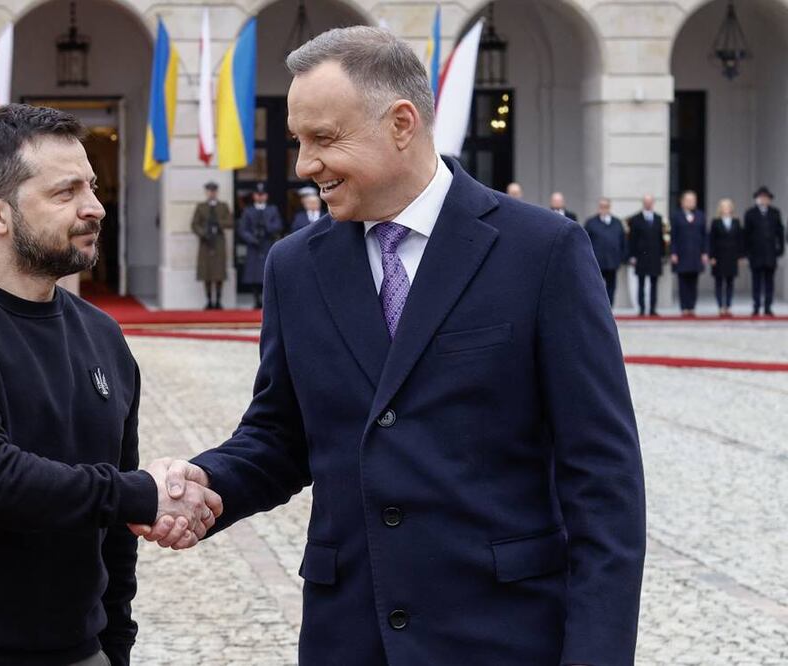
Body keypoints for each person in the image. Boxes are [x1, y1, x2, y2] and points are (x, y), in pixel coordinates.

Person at [135, 27, 645, 665]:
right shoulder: (294, 266)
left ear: (402, 123)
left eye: (324, 139)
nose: (304, 165)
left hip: (504, 635)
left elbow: (603, 480)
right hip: (350, 636)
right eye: (298, 141)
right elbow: (280, 436)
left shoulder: (542, 251)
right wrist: (206, 483)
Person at [0, 104, 221, 666]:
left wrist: (114, 645)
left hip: (76, 649)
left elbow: (114, 534)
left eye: (92, 187)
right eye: (65, 192)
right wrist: (141, 493)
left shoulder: (103, 335)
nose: (94, 207)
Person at [237, 183, 283, 308]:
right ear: (254, 196)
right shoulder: (248, 210)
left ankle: (266, 300)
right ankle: (256, 298)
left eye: (262, 194)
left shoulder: (272, 209)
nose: (260, 197)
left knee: (267, 273)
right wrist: (251, 239)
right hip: (254, 245)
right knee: (253, 273)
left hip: (267, 243)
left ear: (266, 196)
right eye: (258, 194)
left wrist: (268, 227)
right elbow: (242, 229)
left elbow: (278, 224)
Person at [190, 181, 234, 310]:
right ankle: (209, 300)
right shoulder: (201, 207)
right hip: (206, 242)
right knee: (206, 272)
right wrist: (203, 233)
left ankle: (218, 300)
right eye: (209, 191)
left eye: (214, 191)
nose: (212, 193)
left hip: (219, 241)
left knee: (219, 272)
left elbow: (230, 222)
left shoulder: (223, 206)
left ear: (217, 192)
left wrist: (218, 223)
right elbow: (194, 224)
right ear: (206, 192)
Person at [743, 186, 785, 316]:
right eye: (761, 197)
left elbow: (780, 233)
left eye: (766, 198)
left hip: (770, 253)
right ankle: (756, 306)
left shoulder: (775, 213)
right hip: (755, 253)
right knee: (756, 282)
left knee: (769, 282)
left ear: (769, 199)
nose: (763, 200)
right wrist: (746, 253)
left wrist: (780, 249)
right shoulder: (750, 213)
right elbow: (746, 235)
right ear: (757, 199)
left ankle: (768, 306)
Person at [627, 194, 667, 316]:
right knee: (641, 283)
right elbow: (632, 239)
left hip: (655, 256)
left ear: (653, 203)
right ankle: (642, 308)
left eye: (650, 202)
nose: (648, 204)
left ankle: (653, 309)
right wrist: (632, 256)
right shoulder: (635, 219)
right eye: (646, 202)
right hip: (641, 256)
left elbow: (662, 239)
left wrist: (663, 255)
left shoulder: (659, 218)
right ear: (643, 203)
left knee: (654, 284)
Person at [583, 197, 627, 306]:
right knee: (596, 287)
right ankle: (597, 308)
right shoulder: (591, 223)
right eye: (601, 206)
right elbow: (584, 242)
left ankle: (609, 308)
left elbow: (623, 241)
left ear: (609, 208)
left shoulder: (617, 222)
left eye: (606, 207)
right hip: (596, 262)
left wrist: (622, 257)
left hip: (612, 261)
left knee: (611, 287)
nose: (604, 209)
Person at [670, 190, 708, 317]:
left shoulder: (700, 215)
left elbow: (704, 235)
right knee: (683, 282)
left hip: (696, 253)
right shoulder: (676, 216)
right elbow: (673, 236)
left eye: (693, 200)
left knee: (693, 281)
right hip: (681, 254)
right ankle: (684, 307)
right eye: (688, 200)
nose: (691, 202)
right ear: (682, 202)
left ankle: (692, 306)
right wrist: (673, 252)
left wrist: (705, 252)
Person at [709, 198, 744, 317]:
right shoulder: (715, 222)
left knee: (730, 282)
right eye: (723, 207)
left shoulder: (736, 222)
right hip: (719, 256)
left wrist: (740, 256)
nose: (726, 209)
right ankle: (720, 306)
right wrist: (712, 256)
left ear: (731, 208)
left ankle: (728, 306)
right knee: (719, 282)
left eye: (728, 206)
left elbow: (740, 240)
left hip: (732, 256)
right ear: (720, 209)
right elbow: (711, 240)